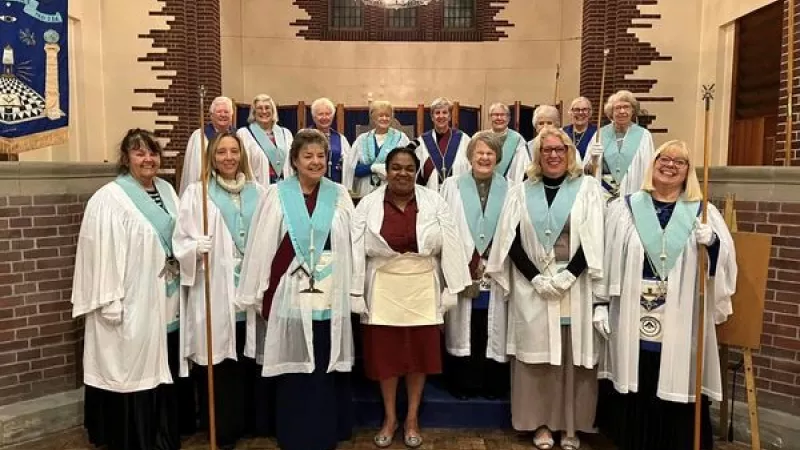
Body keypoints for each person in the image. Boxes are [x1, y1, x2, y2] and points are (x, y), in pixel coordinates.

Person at [595, 140, 737, 450]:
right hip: (632, 309)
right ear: (653, 163)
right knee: (637, 377)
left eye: (680, 161)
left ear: (689, 172)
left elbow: (726, 262)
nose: (670, 165)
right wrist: (601, 303)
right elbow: (606, 257)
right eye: (664, 158)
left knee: (675, 378)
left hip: (680, 314)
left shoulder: (702, 213)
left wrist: (713, 243)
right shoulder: (625, 208)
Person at [486, 126, 605, 450]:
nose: (553, 155)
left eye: (559, 149)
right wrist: (535, 277)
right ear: (537, 155)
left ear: (569, 153)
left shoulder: (588, 189)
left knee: (571, 356)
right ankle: (539, 423)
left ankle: (570, 425)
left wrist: (570, 275)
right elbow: (508, 241)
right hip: (534, 286)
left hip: (573, 285)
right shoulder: (522, 191)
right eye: (546, 150)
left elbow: (595, 237)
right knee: (535, 359)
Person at [236, 129, 356, 450]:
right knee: (295, 366)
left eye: (321, 156)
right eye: (308, 156)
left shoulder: (339, 194)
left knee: (323, 360)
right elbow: (262, 245)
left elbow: (353, 241)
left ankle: (326, 430)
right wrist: (261, 290)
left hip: (330, 289)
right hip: (289, 289)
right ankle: (294, 432)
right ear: (294, 160)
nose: (316, 162)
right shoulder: (276, 195)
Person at [72, 129, 186, 450]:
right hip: (128, 298)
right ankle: (133, 437)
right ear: (126, 158)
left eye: (152, 153)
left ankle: (162, 432)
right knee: (130, 364)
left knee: (159, 362)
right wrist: (109, 298)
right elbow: (100, 252)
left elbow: (175, 234)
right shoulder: (109, 198)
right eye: (139, 153)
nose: (147, 159)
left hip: (164, 294)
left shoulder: (166, 189)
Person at [351, 146, 471, 448]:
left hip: (422, 285)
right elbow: (354, 247)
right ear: (386, 171)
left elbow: (452, 243)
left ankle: (412, 417)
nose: (402, 173)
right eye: (395, 167)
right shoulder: (367, 203)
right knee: (386, 356)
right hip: (383, 286)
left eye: (408, 168)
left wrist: (452, 287)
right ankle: (390, 417)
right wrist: (354, 291)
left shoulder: (434, 201)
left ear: (415, 171)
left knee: (419, 355)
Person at [173, 132, 268, 449]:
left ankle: (252, 422)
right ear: (211, 158)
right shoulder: (197, 194)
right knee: (222, 358)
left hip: (252, 286)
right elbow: (180, 240)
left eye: (234, 152)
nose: (228, 157)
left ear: (242, 155)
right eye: (221, 152)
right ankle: (224, 427)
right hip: (216, 284)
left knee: (249, 355)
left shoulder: (260, 192)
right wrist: (192, 248)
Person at [441, 131, 511, 400]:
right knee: (463, 324)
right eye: (479, 152)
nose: (484, 157)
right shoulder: (452, 186)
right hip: (463, 266)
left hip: (496, 268)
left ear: (498, 157)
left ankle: (492, 384)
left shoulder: (510, 187)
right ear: (470, 156)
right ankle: (463, 383)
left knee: (493, 325)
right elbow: (446, 226)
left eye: (490, 153)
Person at [583, 90, 654, 200]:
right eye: (617, 108)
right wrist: (593, 159)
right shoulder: (600, 135)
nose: (622, 111)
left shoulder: (644, 136)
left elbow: (649, 170)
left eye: (626, 107)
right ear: (611, 112)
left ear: (632, 110)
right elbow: (587, 172)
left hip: (632, 192)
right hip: (603, 194)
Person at [344, 100, 410, 197]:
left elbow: (408, 166)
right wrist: (372, 168)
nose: (384, 118)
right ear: (373, 118)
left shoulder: (401, 138)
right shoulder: (362, 139)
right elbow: (352, 169)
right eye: (380, 115)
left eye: (387, 116)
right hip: (365, 191)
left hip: (392, 190)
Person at [180, 96, 238, 195]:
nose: (223, 115)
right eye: (219, 112)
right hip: (208, 189)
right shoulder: (200, 137)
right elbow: (195, 169)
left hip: (233, 187)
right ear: (211, 115)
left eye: (226, 112)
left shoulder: (238, 136)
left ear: (231, 116)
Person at [415, 97, 471, 191]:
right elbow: (417, 172)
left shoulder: (464, 139)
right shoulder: (422, 142)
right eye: (437, 113)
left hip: (457, 193)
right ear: (432, 117)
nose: (441, 116)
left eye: (445, 112)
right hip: (431, 193)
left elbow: (470, 168)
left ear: (449, 116)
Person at [237, 94, 294, 185]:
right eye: (259, 108)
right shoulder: (244, 134)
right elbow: (243, 166)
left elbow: (292, 164)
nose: (264, 111)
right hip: (259, 189)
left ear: (273, 111)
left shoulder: (286, 133)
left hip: (285, 188)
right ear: (254, 112)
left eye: (267, 108)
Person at [310, 97, 351, 184]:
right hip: (311, 184)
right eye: (320, 114)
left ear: (332, 116)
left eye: (328, 114)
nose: (324, 117)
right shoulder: (304, 136)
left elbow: (349, 165)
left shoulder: (340, 139)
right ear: (314, 117)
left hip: (335, 186)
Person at [486, 102, 530, 183]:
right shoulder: (483, 138)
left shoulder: (518, 140)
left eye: (503, 115)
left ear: (509, 118)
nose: (499, 118)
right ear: (489, 118)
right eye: (495, 115)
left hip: (510, 187)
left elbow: (522, 167)